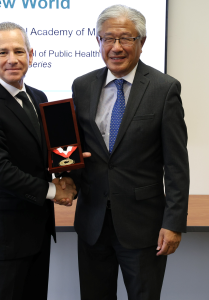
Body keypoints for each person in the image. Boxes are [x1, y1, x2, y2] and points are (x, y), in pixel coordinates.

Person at [70, 5, 189, 300]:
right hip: (92, 224)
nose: (116, 47)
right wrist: (65, 175)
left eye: (126, 38)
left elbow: (176, 165)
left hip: (143, 227)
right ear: (98, 42)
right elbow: (76, 149)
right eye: (108, 38)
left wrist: (173, 223)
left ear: (142, 42)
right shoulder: (82, 86)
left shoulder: (164, 89)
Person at [0, 22, 76, 300]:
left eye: (19, 51)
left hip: (37, 235)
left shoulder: (38, 98)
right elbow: (0, 172)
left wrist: (70, 167)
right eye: (3, 53)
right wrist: (54, 191)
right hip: (3, 242)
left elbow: (47, 157)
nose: (12, 59)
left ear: (31, 55)